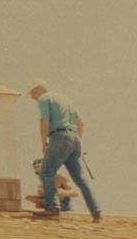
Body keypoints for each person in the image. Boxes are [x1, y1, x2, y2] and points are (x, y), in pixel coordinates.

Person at [27, 79, 102, 222]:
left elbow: (44, 122)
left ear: (39, 89)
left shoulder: (44, 98)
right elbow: (81, 123)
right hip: (74, 139)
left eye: (32, 93)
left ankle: (52, 209)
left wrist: (43, 142)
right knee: (80, 179)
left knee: (46, 173)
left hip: (59, 136)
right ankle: (96, 212)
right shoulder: (66, 99)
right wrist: (75, 140)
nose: (32, 97)